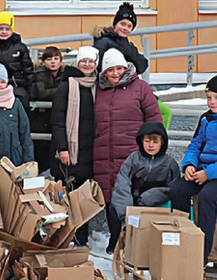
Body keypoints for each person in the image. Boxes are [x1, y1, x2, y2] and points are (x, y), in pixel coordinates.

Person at [93, 48, 161, 205]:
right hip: (104, 154)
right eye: (110, 69)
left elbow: (154, 119)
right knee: (109, 198)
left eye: (119, 68)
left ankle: (133, 230)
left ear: (126, 68)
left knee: (135, 196)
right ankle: (114, 231)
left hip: (133, 152)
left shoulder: (141, 87)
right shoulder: (97, 90)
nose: (116, 73)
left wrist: (153, 148)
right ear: (104, 72)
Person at [50, 46, 99, 246]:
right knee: (65, 197)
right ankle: (62, 237)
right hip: (70, 153)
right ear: (77, 63)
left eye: (91, 61)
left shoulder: (99, 86)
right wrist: (63, 148)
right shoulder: (67, 86)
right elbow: (57, 119)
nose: (87, 65)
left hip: (91, 151)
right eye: (83, 61)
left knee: (83, 197)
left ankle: (81, 239)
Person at [107, 121, 178, 254]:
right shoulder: (133, 159)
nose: (150, 145)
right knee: (113, 209)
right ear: (141, 141)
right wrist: (126, 213)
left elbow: (173, 189)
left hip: (154, 204)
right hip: (132, 200)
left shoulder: (170, 163)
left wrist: (151, 197)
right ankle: (115, 240)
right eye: (147, 140)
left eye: (155, 141)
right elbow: (122, 184)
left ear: (162, 142)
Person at [170, 76, 217, 264]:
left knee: (206, 197)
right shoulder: (205, 118)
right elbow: (195, 145)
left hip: (213, 174)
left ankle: (201, 256)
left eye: (216, 97)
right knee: (178, 190)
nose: (211, 102)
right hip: (201, 170)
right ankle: (182, 239)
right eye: (208, 97)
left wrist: (209, 173)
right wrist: (189, 165)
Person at [0, 11, 34, 110]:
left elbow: (28, 70)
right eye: (1, 29)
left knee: (21, 103)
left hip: (16, 85)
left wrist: (31, 91)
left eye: (7, 29)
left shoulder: (20, 47)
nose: (4, 32)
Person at [30, 46, 63, 173]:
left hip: (55, 118)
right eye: (49, 59)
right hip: (40, 120)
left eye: (56, 58)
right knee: (41, 153)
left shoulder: (65, 74)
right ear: (43, 62)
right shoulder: (38, 74)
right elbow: (41, 93)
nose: (53, 62)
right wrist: (62, 91)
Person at [93, 2, 148, 75]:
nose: (125, 28)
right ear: (115, 24)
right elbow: (97, 67)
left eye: (129, 26)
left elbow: (142, 67)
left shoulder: (128, 45)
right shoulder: (103, 41)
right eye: (122, 24)